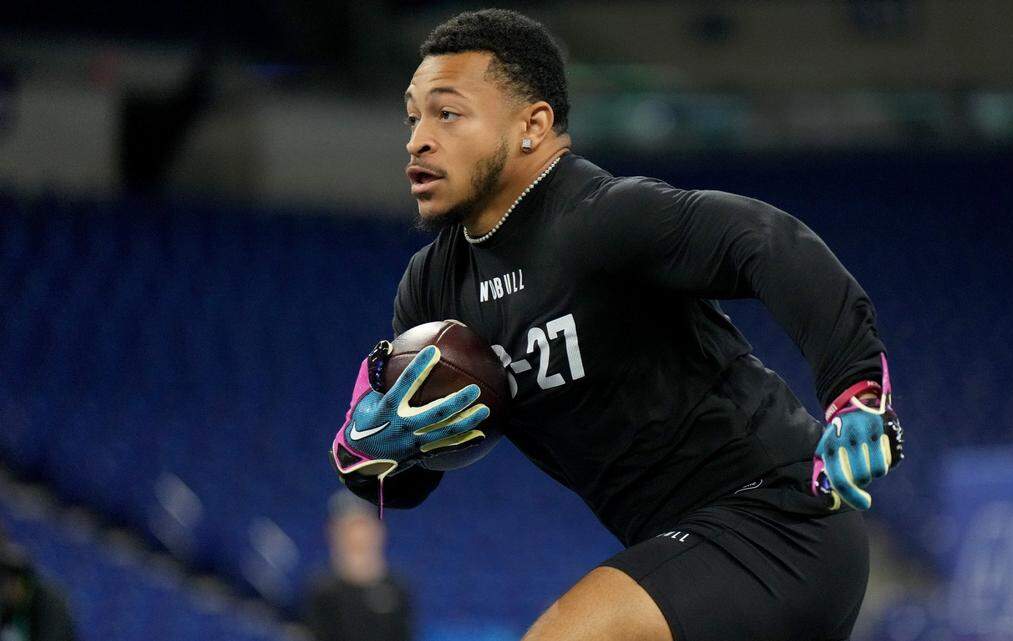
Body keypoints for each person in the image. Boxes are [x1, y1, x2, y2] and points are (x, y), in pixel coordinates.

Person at [329, 9, 905, 641]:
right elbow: (408, 484)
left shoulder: (600, 219)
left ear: (532, 126)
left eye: (447, 113)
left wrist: (855, 389)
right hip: (683, 548)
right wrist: (374, 448)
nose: (417, 139)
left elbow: (770, 241)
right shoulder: (432, 288)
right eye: (412, 117)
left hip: (777, 519)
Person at [304, 491, 413, 641]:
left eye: (362, 525)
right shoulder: (321, 592)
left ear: (378, 530)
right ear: (334, 533)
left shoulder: (398, 588)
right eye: (348, 528)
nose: (356, 535)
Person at [0, 528, 76, 641]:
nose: (7, 591)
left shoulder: (50, 602)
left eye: (11, 584)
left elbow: (54, 636)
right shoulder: (10, 605)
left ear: (22, 582)